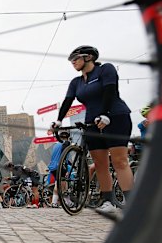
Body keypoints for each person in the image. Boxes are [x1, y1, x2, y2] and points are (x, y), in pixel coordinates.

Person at [51, 45, 133, 213]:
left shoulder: (105, 70)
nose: (73, 62)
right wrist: (58, 121)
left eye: (76, 58)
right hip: (91, 122)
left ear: (89, 57)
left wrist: (105, 114)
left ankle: (132, 202)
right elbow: (67, 101)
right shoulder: (76, 82)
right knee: (100, 163)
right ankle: (108, 200)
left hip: (115, 116)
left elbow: (111, 90)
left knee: (119, 161)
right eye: (71, 60)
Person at [48, 131, 72, 208]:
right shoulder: (65, 143)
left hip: (53, 166)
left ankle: (64, 202)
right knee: (63, 184)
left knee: (59, 184)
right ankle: (65, 202)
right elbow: (63, 155)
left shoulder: (56, 145)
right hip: (60, 166)